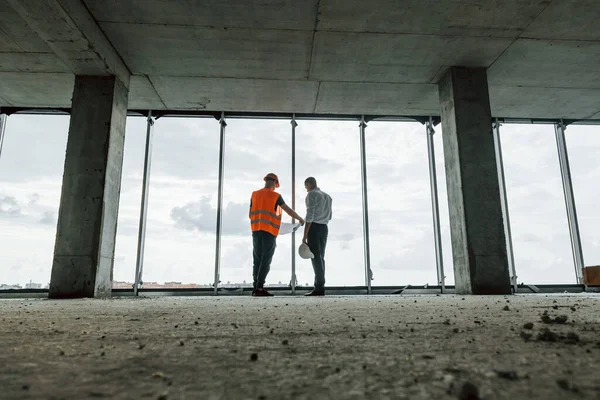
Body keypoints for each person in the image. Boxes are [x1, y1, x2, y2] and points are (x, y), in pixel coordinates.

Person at [249, 173, 304, 297]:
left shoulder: (254, 194)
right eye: (275, 184)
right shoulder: (275, 196)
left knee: (257, 260)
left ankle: (255, 287)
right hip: (269, 231)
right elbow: (288, 210)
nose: (275, 187)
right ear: (274, 182)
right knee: (266, 260)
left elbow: (250, 213)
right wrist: (300, 218)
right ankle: (260, 287)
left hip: (256, 230)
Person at [302, 177, 332, 296]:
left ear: (309, 185)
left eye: (306, 187)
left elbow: (310, 216)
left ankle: (319, 287)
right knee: (320, 257)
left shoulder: (311, 195)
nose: (306, 190)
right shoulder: (327, 196)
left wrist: (304, 235)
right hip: (324, 227)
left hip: (314, 228)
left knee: (315, 257)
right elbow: (329, 216)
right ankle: (320, 285)